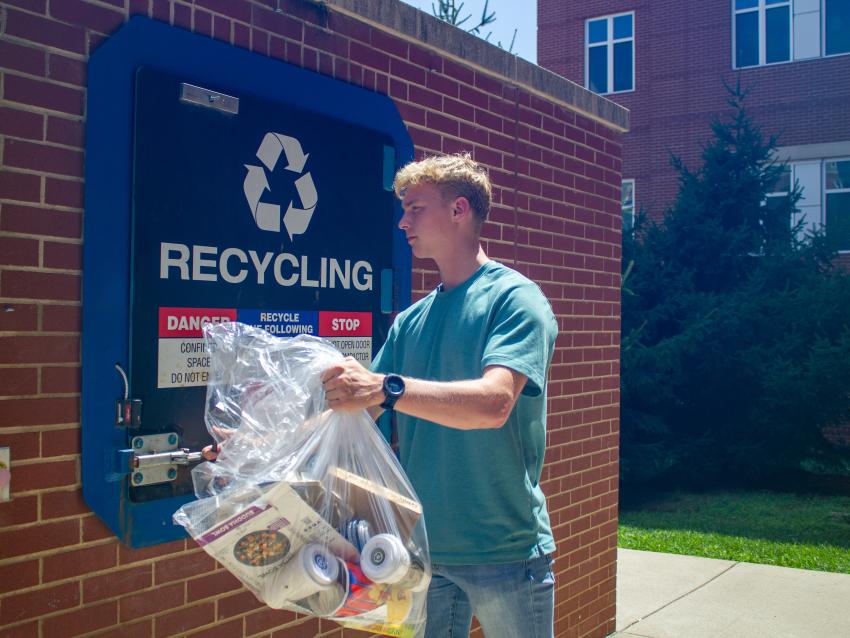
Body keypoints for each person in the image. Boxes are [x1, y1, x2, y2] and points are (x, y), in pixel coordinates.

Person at [320, 153, 558, 638]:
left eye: (415, 207)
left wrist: (386, 386)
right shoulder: (412, 321)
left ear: (459, 210)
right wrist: (252, 453)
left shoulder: (516, 300)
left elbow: (494, 403)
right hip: (426, 551)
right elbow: (354, 410)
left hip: (506, 551)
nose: (402, 221)